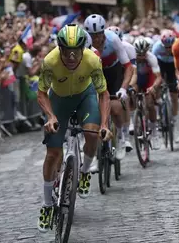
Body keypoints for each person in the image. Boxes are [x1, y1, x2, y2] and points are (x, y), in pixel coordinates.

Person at [37, 24, 110, 232]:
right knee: (52, 154)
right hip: (58, 100)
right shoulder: (50, 61)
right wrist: (51, 116)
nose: (71, 57)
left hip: (84, 97)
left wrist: (104, 123)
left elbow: (103, 93)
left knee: (91, 132)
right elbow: (41, 92)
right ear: (59, 49)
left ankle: (85, 171)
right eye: (66, 52)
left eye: (76, 51)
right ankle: (47, 205)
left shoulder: (92, 60)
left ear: (82, 49)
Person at [84, 15, 134, 159]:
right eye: (93, 35)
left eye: (99, 34)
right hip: (94, 72)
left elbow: (128, 67)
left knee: (116, 108)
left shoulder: (113, 39)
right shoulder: (84, 41)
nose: (97, 39)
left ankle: (119, 139)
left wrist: (123, 88)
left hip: (113, 71)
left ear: (103, 32)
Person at [130, 37, 162, 150]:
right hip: (136, 80)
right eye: (139, 54)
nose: (142, 57)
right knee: (131, 92)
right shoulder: (131, 56)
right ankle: (132, 119)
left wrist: (153, 87)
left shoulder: (151, 58)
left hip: (148, 80)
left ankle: (154, 133)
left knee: (149, 104)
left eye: (144, 54)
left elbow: (158, 77)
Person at [151, 30, 179, 129]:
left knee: (174, 95)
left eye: (170, 47)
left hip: (173, 65)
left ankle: (175, 118)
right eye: (166, 47)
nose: (168, 49)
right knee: (158, 84)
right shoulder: (157, 47)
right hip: (161, 63)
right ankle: (159, 108)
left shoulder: (178, 45)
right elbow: (153, 64)